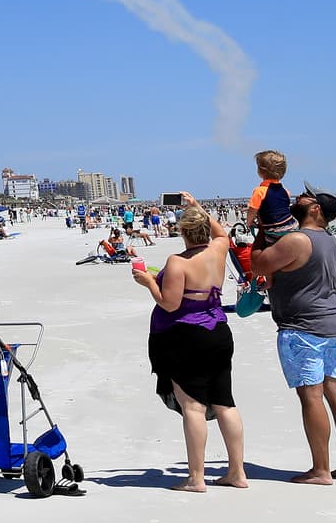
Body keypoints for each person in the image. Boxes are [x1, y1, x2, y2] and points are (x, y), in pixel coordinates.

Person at [251, 183, 336, 485]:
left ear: (315, 209)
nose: (296, 198)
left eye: (305, 197)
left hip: (303, 329)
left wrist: (262, 229)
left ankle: (321, 470)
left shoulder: (299, 239)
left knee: (311, 396)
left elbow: (258, 263)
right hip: (331, 324)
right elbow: (301, 275)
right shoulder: (329, 240)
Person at [132, 195, 247, 492]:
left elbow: (169, 304)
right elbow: (222, 232)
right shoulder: (219, 248)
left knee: (193, 407)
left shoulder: (177, 262)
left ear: (182, 232)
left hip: (187, 336)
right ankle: (237, 472)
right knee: (225, 402)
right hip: (219, 331)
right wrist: (196, 206)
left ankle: (196, 478)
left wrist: (149, 283)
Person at [245, 150, 299, 244]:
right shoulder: (285, 191)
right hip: (292, 226)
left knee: (263, 246)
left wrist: (249, 222)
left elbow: (252, 210)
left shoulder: (260, 191)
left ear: (260, 171)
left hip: (274, 231)